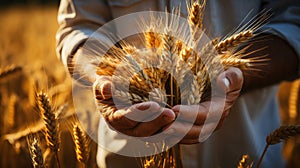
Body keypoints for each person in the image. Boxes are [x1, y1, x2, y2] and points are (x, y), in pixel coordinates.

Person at [56, 0, 300, 167]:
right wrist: (105, 75)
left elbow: (294, 23)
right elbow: (77, 27)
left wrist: (227, 77)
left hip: (247, 154)